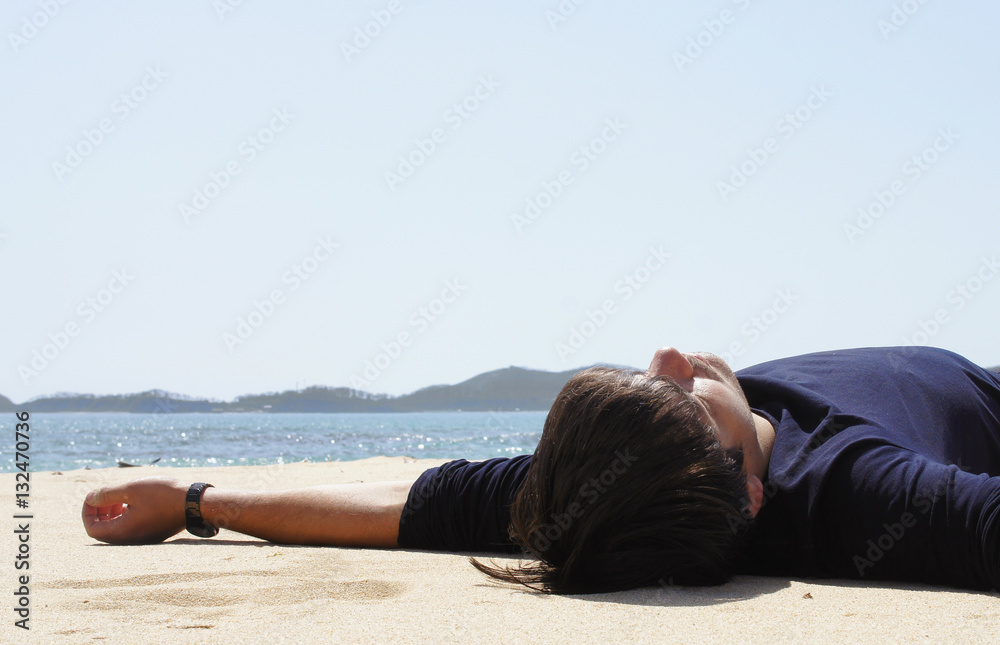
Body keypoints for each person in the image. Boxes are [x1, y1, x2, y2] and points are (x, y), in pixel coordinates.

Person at [82, 345, 1000, 594]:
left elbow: (401, 505)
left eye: (653, 379)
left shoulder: (585, 493)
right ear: (748, 493)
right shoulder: (864, 493)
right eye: (677, 391)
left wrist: (197, 500)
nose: (674, 355)